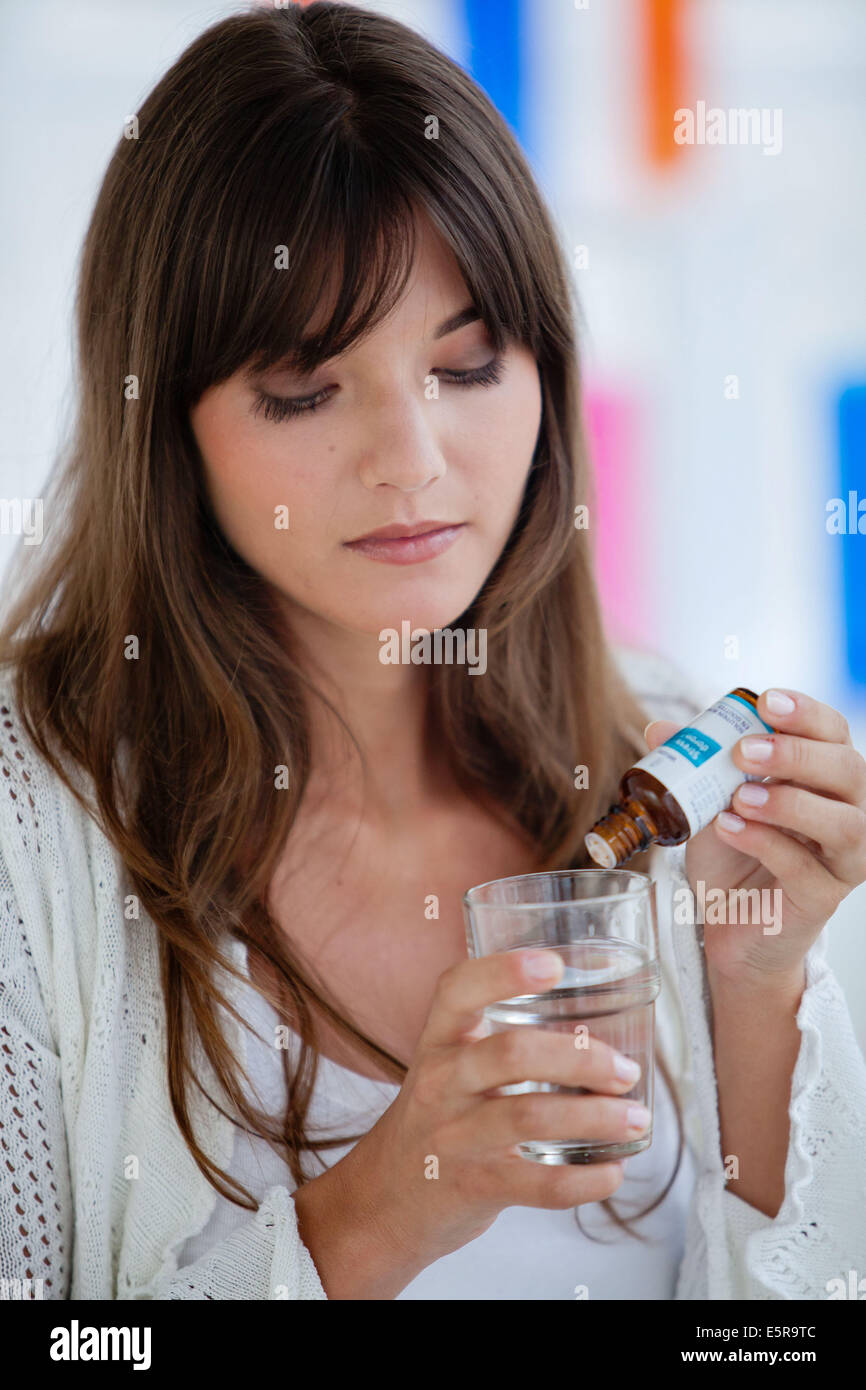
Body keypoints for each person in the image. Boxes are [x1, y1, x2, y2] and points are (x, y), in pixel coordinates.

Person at [1, 3, 864, 1301]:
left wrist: (752, 984)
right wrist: (379, 1211)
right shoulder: (31, 817)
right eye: (303, 390)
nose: (410, 463)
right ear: (164, 423)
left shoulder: (674, 752)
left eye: (465, 367)